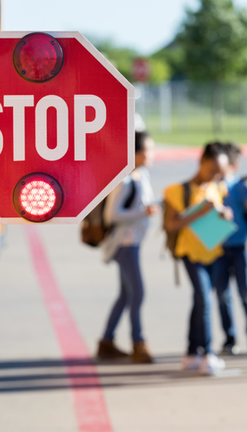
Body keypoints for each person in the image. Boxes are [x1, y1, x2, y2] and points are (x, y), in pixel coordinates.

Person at [164, 142, 233, 375]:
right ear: (202, 162)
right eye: (212, 169)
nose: (215, 175)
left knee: (200, 301)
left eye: (219, 173)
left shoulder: (218, 187)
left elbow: (224, 211)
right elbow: (170, 225)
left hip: (213, 250)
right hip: (190, 252)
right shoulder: (179, 191)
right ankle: (208, 353)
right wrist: (198, 214)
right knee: (204, 298)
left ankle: (192, 351)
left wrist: (224, 214)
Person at [96, 131, 161, 364]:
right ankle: (138, 342)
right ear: (135, 153)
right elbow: (111, 215)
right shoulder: (123, 180)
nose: (152, 154)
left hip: (134, 241)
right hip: (125, 244)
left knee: (125, 295)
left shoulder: (140, 175)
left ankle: (106, 341)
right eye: (148, 150)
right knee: (137, 293)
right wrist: (142, 213)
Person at [211, 142, 247, 356]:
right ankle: (229, 337)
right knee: (222, 295)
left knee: (246, 293)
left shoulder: (238, 186)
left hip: (239, 247)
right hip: (218, 248)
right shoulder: (213, 186)